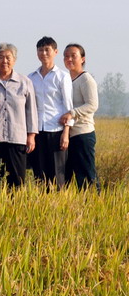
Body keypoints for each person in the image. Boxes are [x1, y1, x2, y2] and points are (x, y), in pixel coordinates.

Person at [0, 43, 38, 188]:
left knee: (17, 180)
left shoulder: (24, 82)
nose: (4, 61)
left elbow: (31, 110)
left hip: (17, 138)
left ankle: (16, 203)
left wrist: (31, 136)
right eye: (0, 57)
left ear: (14, 60)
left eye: (8, 57)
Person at [28, 36, 73, 190]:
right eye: (40, 50)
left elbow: (68, 107)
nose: (44, 53)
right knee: (39, 174)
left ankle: (59, 202)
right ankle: (42, 203)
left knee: (57, 174)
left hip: (56, 130)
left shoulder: (62, 76)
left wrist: (66, 132)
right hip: (37, 131)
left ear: (55, 52)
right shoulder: (31, 78)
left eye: (47, 50)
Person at [60, 44, 100, 190]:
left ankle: (95, 201)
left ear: (82, 59)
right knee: (68, 177)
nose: (69, 59)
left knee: (86, 176)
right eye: (66, 56)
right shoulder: (66, 79)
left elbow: (92, 104)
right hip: (69, 134)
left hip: (83, 133)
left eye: (73, 56)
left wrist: (72, 113)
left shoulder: (86, 79)